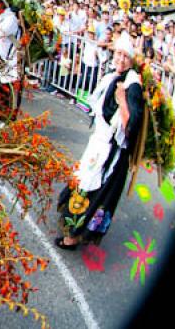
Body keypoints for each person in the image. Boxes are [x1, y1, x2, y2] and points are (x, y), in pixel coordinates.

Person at [55, 33, 145, 249]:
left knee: (94, 191)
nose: (120, 59)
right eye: (118, 54)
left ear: (131, 61)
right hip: (99, 143)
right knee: (84, 181)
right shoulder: (112, 76)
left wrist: (123, 100)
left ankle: (74, 236)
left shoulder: (132, 86)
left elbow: (131, 125)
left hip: (111, 154)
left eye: (125, 56)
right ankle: (72, 228)